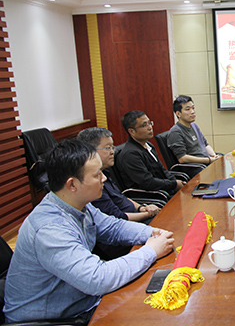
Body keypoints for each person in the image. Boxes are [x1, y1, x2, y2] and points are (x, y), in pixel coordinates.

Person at [3, 139, 174, 323]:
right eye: (97, 174)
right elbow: (97, 279)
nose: (104, 178)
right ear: (72, 185)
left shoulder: (77, 204)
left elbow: (113, 227)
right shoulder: (50, 228)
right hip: (51, 320)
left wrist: (154, 233)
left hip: (81, 301)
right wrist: (151, 251)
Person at [77, 127, 161, 224]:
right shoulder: (93, 184)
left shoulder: (105, 172)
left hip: (137, 216)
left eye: (112, 147)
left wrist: (142, 208)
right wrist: (148, 214)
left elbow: (121, 197)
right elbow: (118, 217)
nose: (112, 152)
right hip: (127, 224)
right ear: (90, 151)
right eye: (107, 148)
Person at [117, 110, 185, 196]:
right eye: (144, 125)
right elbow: (147, 182)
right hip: (152, 196)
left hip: (163, 189)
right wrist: (174, 184)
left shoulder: (148, 145)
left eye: (149, 123)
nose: (149, 127)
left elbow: (162, 169)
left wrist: (175, 182)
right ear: (132, 131)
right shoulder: (130, 154)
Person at [167, 95, 220, 176]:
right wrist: (209, 160)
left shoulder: (194, 126)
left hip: (206, 162)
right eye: (188, 109)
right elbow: (182, 158)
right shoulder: (175, 132)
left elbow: (205, 144)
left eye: (193, 108)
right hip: (196, 168)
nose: (192, 112)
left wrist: (214, 156)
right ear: (178, 114)